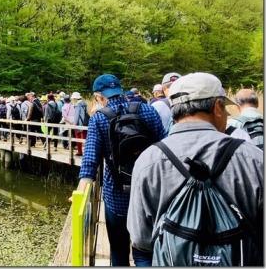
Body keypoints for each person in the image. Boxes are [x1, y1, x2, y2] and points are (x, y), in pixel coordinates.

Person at [127, 72, 263, 265]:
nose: (226, 115)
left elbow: (141, 238)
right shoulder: (253, 159)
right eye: (225, 109)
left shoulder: (148, 160)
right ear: (217, 107)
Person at [77, 74, 165, 266]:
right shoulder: (148, 110)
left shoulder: (99, 118)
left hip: (117, 194)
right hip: (151, 194)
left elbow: (90, 158)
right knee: (146, 251)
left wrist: (81, 189)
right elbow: (165, 147)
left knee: (118, 250)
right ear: (120, 90)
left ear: (99, 96)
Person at [71, 92, 89, 156]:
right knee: (85, 137)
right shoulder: (85, 103)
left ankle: (80, 151)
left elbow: (76, 116)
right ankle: (87, 151)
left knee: (78, 137)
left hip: (79, 123)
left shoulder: (77, 105)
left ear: (75, 98)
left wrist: (74, 124)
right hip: (86, 122)